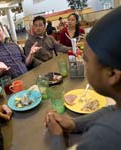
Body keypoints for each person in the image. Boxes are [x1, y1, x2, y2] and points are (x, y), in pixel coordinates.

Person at [45, 7, 121, 150]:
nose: (83, 64)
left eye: (85, 60)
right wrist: (74, 123)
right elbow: (113, 109)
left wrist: (56, 136)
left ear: (112, 74)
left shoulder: (104, 136)